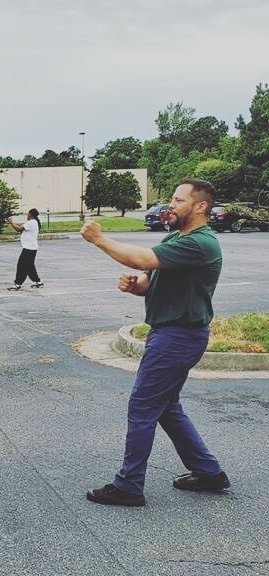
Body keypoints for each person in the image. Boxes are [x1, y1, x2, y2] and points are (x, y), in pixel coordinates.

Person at [81, 178, 229, 507]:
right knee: (166, 407)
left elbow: (142, 259)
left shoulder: (201, 243)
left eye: (178, 200)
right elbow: (151, 276)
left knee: (143, 405)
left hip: (178, 335)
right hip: (172, 333)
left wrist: (100, 240)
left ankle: (129, 486)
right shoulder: (179, 238)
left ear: (200, 206)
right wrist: (137, 287)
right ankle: (208, 472)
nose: (170, 205)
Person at [7, 208, 44, 290]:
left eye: (28, 214)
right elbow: (21, 227)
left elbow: (19, 229)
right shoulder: (33, 222)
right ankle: (38, 282)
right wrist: (14, 223)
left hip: (29, 248)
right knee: (30, 266)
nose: (27, 215)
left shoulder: (31, 222)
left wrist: (11, 222)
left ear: (30, 214)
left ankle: (17, 284)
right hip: (31, 248)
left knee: (21, 266)